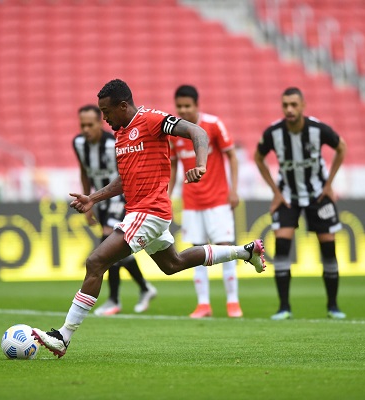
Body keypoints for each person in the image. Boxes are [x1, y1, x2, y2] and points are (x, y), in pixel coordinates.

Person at [32, 79, 267, 358]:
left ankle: (63, 336)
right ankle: (246, 251)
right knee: (173, 264)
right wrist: (93, 198)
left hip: (150, 211)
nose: (104, 118)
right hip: (142, 211)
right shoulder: (121, 135)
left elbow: (198, 132)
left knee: (96, 262)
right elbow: (125, 180)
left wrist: (201, 164)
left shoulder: (152, 120)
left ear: (123, 106)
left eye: (106, 111)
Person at [254, 87, 347, 320]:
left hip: (318, 195)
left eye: (294, 105)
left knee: (328, 248)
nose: (289, 109)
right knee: (281, 246)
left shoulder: (318, 129)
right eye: (285, 105)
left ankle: (333, 306)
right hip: (287, 196)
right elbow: (258, 157)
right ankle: (284, 307)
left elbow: (341, 147)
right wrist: (275, 191)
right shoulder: (274, 132)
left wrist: (329, 184)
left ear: (303, 105)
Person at [73, 104, 157, 316]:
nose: (85, 129)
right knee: (115, 250)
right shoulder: (78, 143)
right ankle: (145, 287)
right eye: (82, 125)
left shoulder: (114, 144)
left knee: (107, 239)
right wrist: (88, 201)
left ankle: (113, 299)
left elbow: (127, 174)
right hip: (100, 201)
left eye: (90, 125)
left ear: (100, 123)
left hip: (121, 197)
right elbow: (84, 171)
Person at [168, 85, 242, 318]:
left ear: (197, 105)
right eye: (179, 106)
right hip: (191, 202)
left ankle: (233, 302)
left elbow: (232, 156)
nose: (183, 110)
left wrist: (234, 190)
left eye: (187, 106)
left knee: (226, 249)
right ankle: (203, 304)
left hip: (218, 200)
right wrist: (167, 197)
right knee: (197, 252)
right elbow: (173, 167)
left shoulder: (213, 124)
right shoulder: (174, 133)